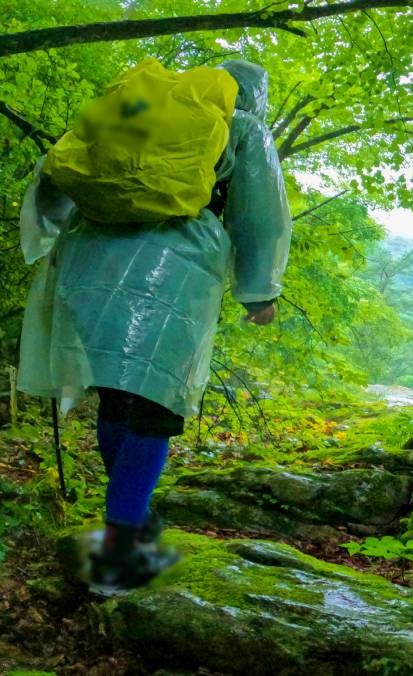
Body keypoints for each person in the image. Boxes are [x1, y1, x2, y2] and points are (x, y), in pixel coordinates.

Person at [17, 60, 292, 592]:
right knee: (154, 406)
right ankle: (121, 551)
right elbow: (260, 214)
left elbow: (60, 169)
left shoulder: (135, 109)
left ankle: (131, 517)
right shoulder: (244, 129)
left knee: (117, 396)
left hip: (87, 261)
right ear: (251, 97)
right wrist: (260, 291)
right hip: (177, 268)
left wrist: (47, 233)